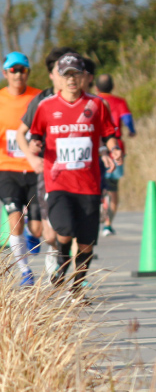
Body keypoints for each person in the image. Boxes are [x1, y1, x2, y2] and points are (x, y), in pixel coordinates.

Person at [29, 53, 122, 300]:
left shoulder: (96, 105)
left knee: (86, 242)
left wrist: (114, 149)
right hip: (58, 181)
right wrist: (34, 148)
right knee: (65, 230)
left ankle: (77, 287)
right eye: (66, 74)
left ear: (84, 77)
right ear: (59, 77)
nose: (71, 80)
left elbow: (109, 132)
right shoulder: (46, 106)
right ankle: (61, 257)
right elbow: (35, 135)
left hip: (89, 184)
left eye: (76, 74)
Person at [17, 47, 77, 280]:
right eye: (60, 71)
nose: (66, 76)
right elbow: (23, 133)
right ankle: (56, 253)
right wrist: (32, 155)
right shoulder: (41, 100)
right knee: (50, 233)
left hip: (79, 174)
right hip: (49, 172)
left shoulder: (86, 100)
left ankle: (78, 278)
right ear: (53, 73)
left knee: (76, 228)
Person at [0, 52, 42, 286]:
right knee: (15, 218)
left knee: (35, 227)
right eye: (13, 70)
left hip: (34, 168)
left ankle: (33, 235)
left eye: (23, 70)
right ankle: (25, 271)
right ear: (5, 73)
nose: (18, 74)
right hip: (6, 168)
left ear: (28, 73)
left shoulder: (38, 97)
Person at [94, 73, 136, 236]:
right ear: (113, 87)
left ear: (96, 87)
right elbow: (127, 119)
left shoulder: (93, 101)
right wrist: (132, 131)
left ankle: (97, 210)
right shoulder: (119, 102)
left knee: (96, 183)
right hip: (116, 146)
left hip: (97, 147)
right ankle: (108, 224)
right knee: (113, 188)